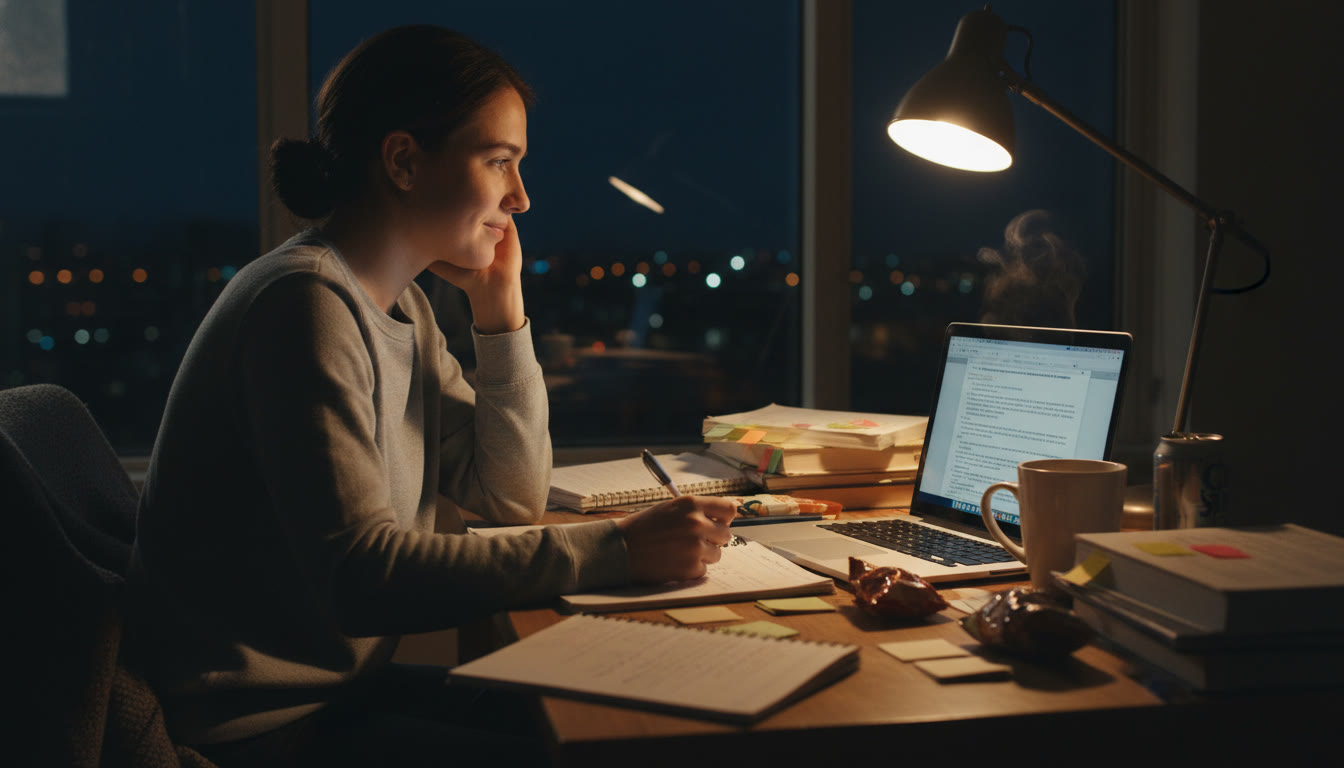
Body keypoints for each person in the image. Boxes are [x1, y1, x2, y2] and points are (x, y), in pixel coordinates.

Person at [126, 25, 736, 766]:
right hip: (263, 731)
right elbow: (360, 578)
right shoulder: (303, 305)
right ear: (405, 160)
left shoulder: (399, 306)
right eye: (499, 161)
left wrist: (500, 316)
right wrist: (616, 549)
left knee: (632, 726)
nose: (521, 197)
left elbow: (506, 495)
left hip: (338, 696)